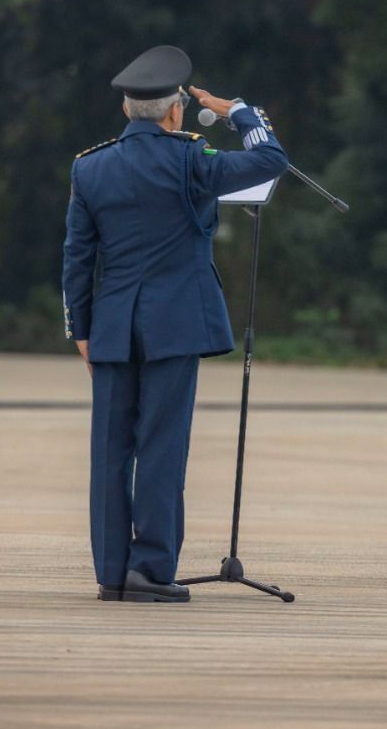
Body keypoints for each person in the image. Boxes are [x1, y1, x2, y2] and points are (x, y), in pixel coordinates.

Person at [62, 45, 289, 603]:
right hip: (175, 325)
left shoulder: (90, 166)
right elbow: (270, 160)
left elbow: (77, 257)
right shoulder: (191, 159)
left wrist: (82, 331)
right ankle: (151, 569)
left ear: (126, 111)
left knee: (110, 452)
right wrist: (241, 113)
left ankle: (112, 572)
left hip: (112, 329)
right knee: (161, 447)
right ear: (174, 112)